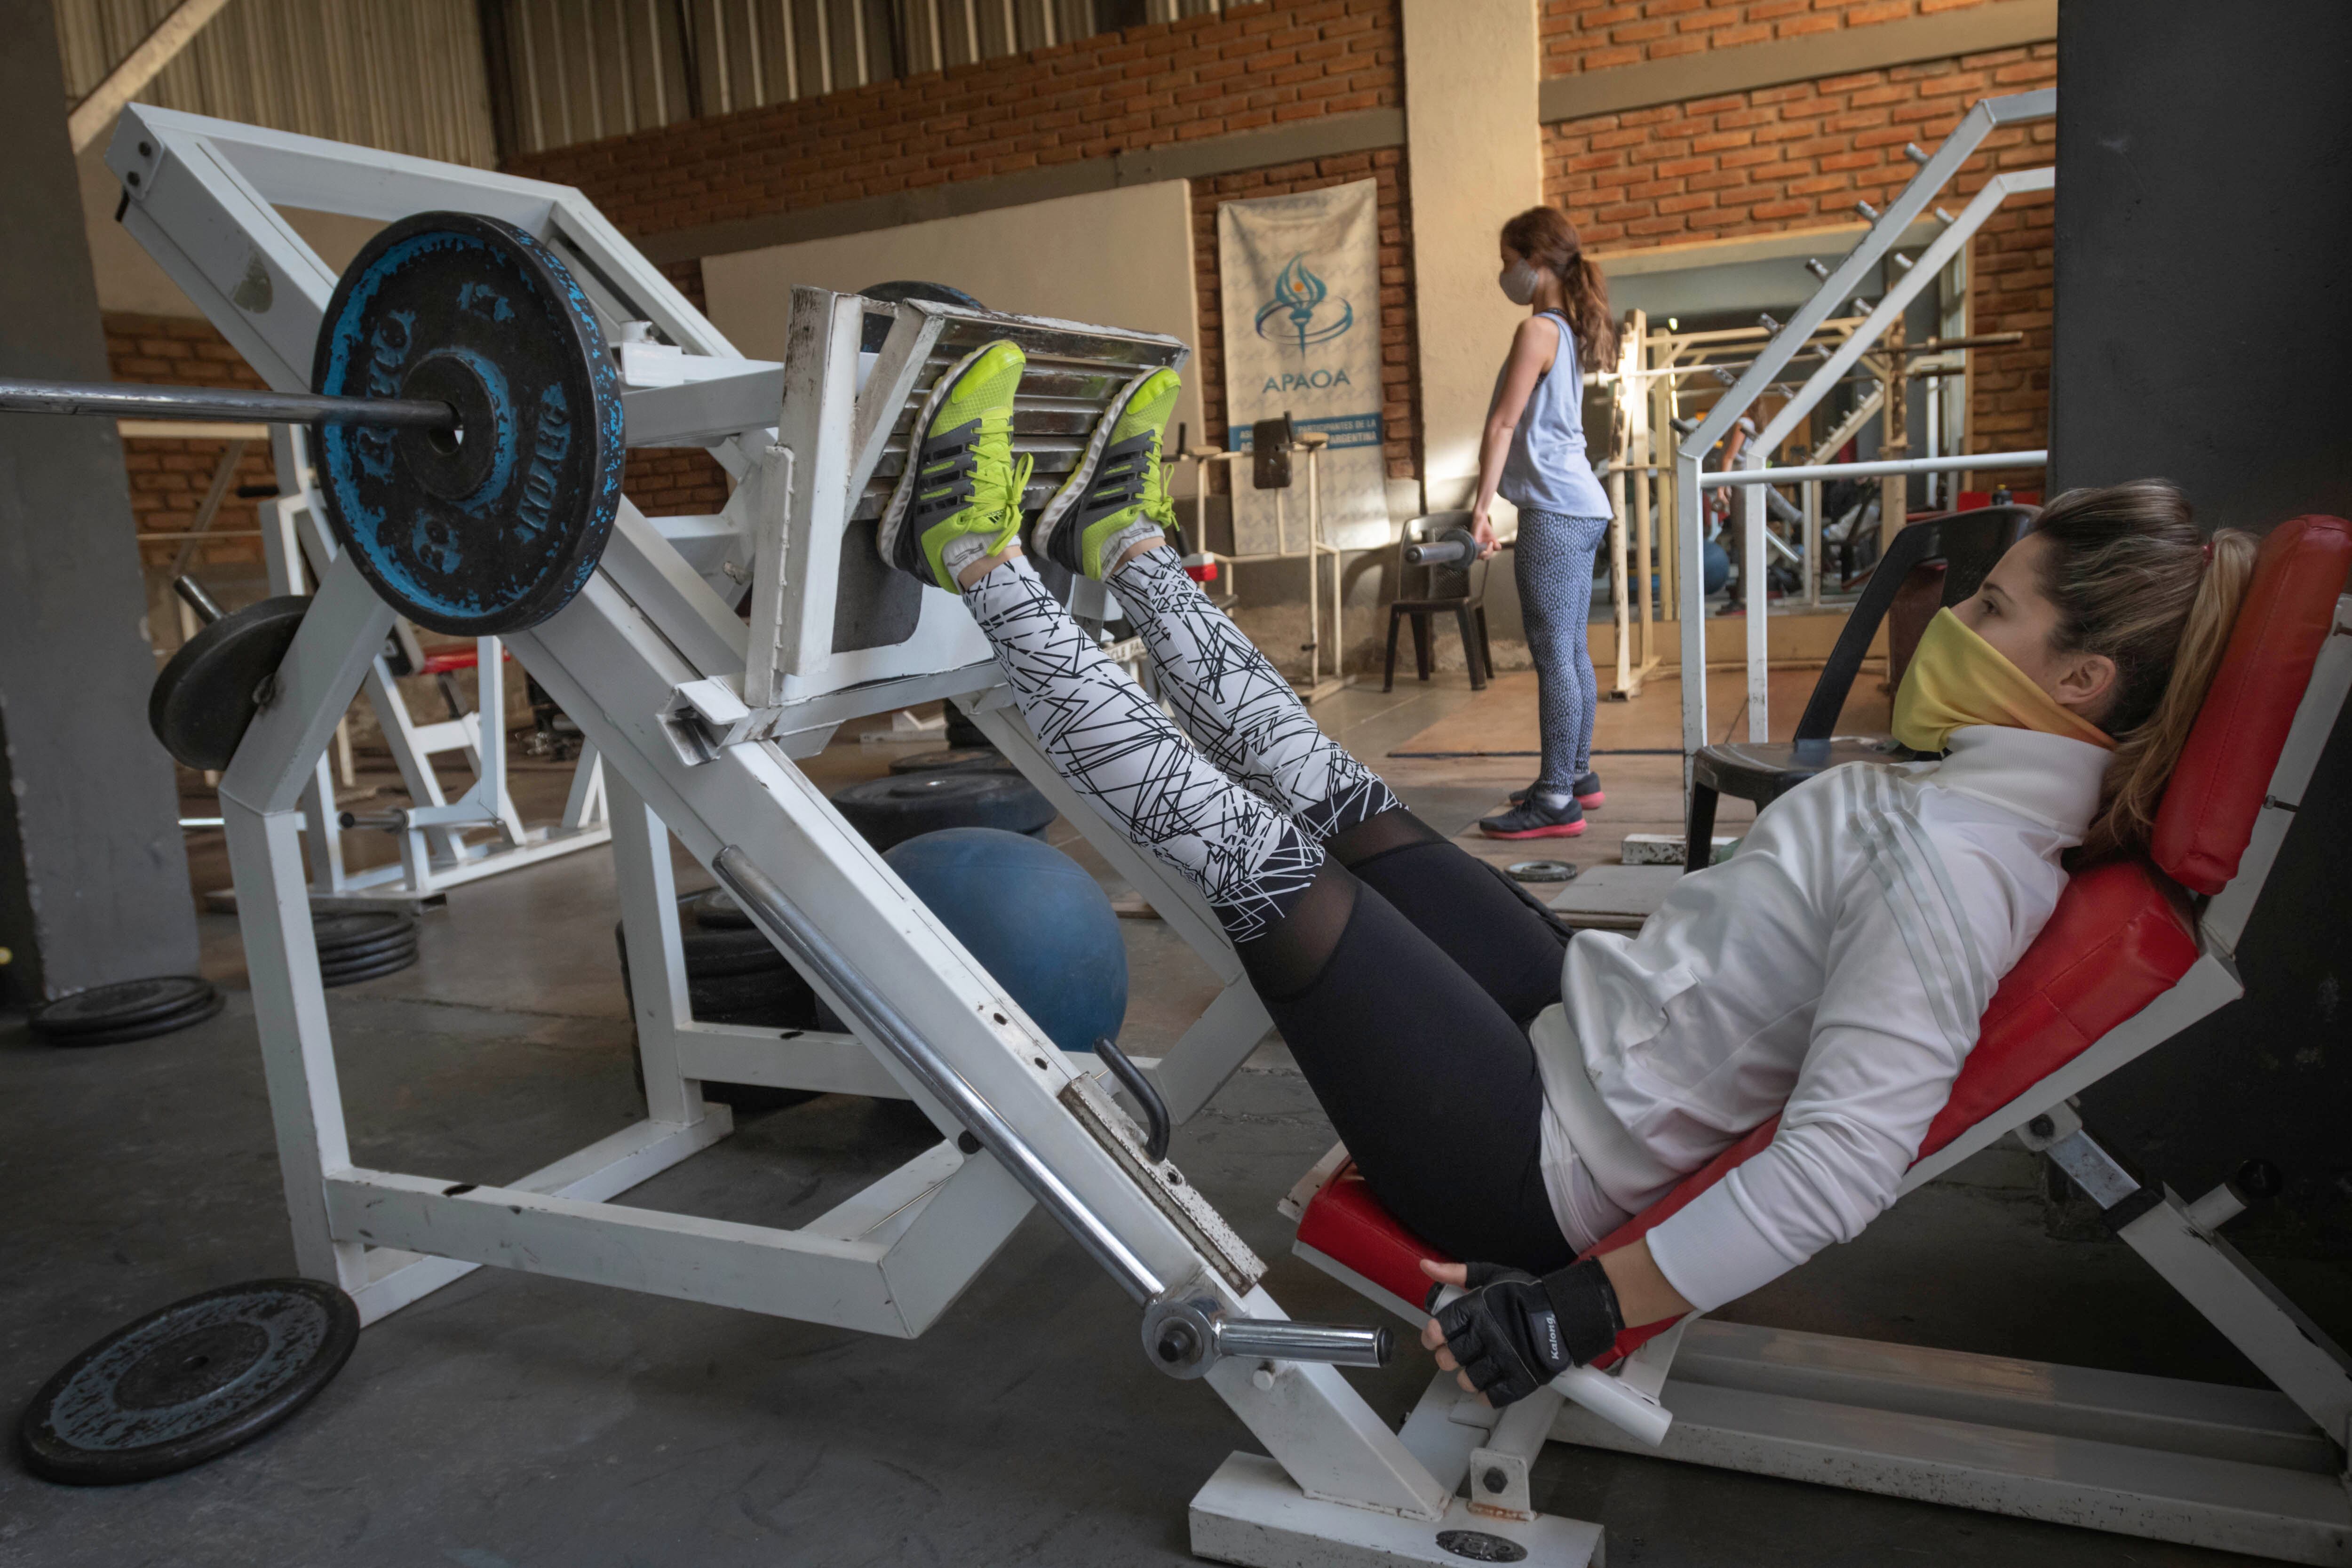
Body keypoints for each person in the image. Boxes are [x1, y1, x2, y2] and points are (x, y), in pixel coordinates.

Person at [878, 343, 2254, 1409]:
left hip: (1534, 1161)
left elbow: (1843, 1163)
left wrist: (1576, 1308)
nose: (1954, 617)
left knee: (1248, 848)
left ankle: (976, 554)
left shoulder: (1961, 866)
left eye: (1994, 608)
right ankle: (1118, 547)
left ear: (2080, 679)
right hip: (1594, 1025)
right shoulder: (1971, 798)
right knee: (1341, 798)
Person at [1467, 206, 1621, 840]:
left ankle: (1557, 798)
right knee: (1572, 650)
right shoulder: (1568, 328)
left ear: (1535, 262)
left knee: (1556, 653)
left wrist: (1479, 508)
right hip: (1582, 506)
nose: (1504, 276)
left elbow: (1503, 424)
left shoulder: (1537, 332)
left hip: (1555, 512)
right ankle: (1576, 774)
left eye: (1508, 264)